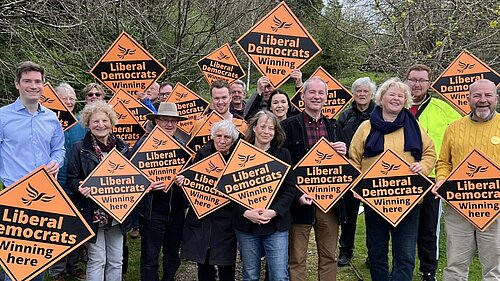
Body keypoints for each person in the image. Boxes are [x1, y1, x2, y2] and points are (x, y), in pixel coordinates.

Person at [349, 78, 436, 281]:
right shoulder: (366, 127)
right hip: (375, 199)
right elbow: (353, 160)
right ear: (381, 98)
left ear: (405, 101)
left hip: (408, 199)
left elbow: (430, 153)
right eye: (392, 94)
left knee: (405, 254)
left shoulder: (414, 126)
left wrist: (422, 166)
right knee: (377, 252)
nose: (396, 98)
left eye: (400, 95)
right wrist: (359, 186)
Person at [67, 101, 157, 281]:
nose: (101, 125)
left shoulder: (123, 147)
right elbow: (71, 179)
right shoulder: (79, 148)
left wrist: (144, 186)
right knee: (97, 259)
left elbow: (132, 177)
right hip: (93, 212)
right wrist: (80, 186)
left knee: (117, 259)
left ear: (111, 122)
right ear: (88, 124)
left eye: (104, 120)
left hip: (117, 213)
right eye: (95, 121)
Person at [0, 61, 65, 281]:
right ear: (17, 84)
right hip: (14, 196)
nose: (33, 85)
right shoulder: (3, 117)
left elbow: (58, 149)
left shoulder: (51, 118)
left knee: (39, 259)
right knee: (16, 263)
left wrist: (57, 161)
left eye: (37, 81)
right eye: (27, 81)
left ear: (44, 85)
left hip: (45, 197)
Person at [433, 79, 499, 281]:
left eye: (488, 95)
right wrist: (442, 178)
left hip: (496, 208)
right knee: (455, 265)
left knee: (495, 267)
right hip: (458, 206)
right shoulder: (454, 128)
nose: (482, 100)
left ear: (496, 98)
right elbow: (444, 162)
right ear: (468, 99)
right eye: (477, 96)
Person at [281, 76, 347, 281]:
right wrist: (297, 194)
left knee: (328, 256)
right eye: (312, 92)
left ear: (326, 97)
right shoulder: (287, 126)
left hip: (330, 203)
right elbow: (282, 166)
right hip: (299, 202)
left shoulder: (335, 127)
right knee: (296, 258)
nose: (316, 97)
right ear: (302, 95)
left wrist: (344, 151)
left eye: (321, 93)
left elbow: (347, 168)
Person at [405, 63, 462, 281]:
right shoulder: (396, 104)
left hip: (431, 178)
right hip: (400, 178)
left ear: (430, 83)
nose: (417, 84)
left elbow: (462, 135)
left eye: (422, 80)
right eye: (413, 79)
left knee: (429, 230)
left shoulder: (442, 108)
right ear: (407, 80)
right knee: (401, 228)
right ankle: (403, 267)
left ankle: (428, 271)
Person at [234, 110, 296, 281]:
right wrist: (245, 212)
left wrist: (274, 211)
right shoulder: (239, 154)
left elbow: (290, 189)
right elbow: (229, 189)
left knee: (279, 275)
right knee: (250, 274)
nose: (266, 131)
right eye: (262, 126)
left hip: (275, 224)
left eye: (271, 128)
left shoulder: (283, 155)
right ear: (254, 127)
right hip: (247, 225)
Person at [131, 102, 188, 281]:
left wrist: (183, 179)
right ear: (157, 121)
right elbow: (131, 177)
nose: (169, 125)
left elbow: (190, 176)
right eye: (165, 120)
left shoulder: (182, 146)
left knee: (172, 256)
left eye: (173, 121)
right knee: (150, 258)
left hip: (176, 212)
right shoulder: (142, 145)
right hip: (152, 212)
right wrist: (146, 185)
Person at [177, 120, 239, 281]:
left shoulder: (238, 159)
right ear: (212, 137)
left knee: (226, 263)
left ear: (232, 140)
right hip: (202, 218)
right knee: (203, 263)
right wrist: (185, 183)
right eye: (218, 136)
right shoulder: (202, 154)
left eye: (227, 137)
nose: (222, 140)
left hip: (226, 220)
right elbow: (191, 180)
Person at [336, 77, 377, 267]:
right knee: (348, 215)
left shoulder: (379, 114)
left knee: (374, 216)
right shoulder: (345, 116)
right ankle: (346, 250)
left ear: (372, 94)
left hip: (372, 170)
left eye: (365, 92)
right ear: (354, 93)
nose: (362, 95)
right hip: (349, 170)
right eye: (358, 91)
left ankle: (373, 253)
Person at [49, 82, 87, 281]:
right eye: (65, 98)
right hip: (56, 183)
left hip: (78, 184)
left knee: (76, 227)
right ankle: (57, 271)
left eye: (72, 98)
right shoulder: (48, 120)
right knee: (58, 229)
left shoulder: (81, 122)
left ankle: (73, 265)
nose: (70, 101)